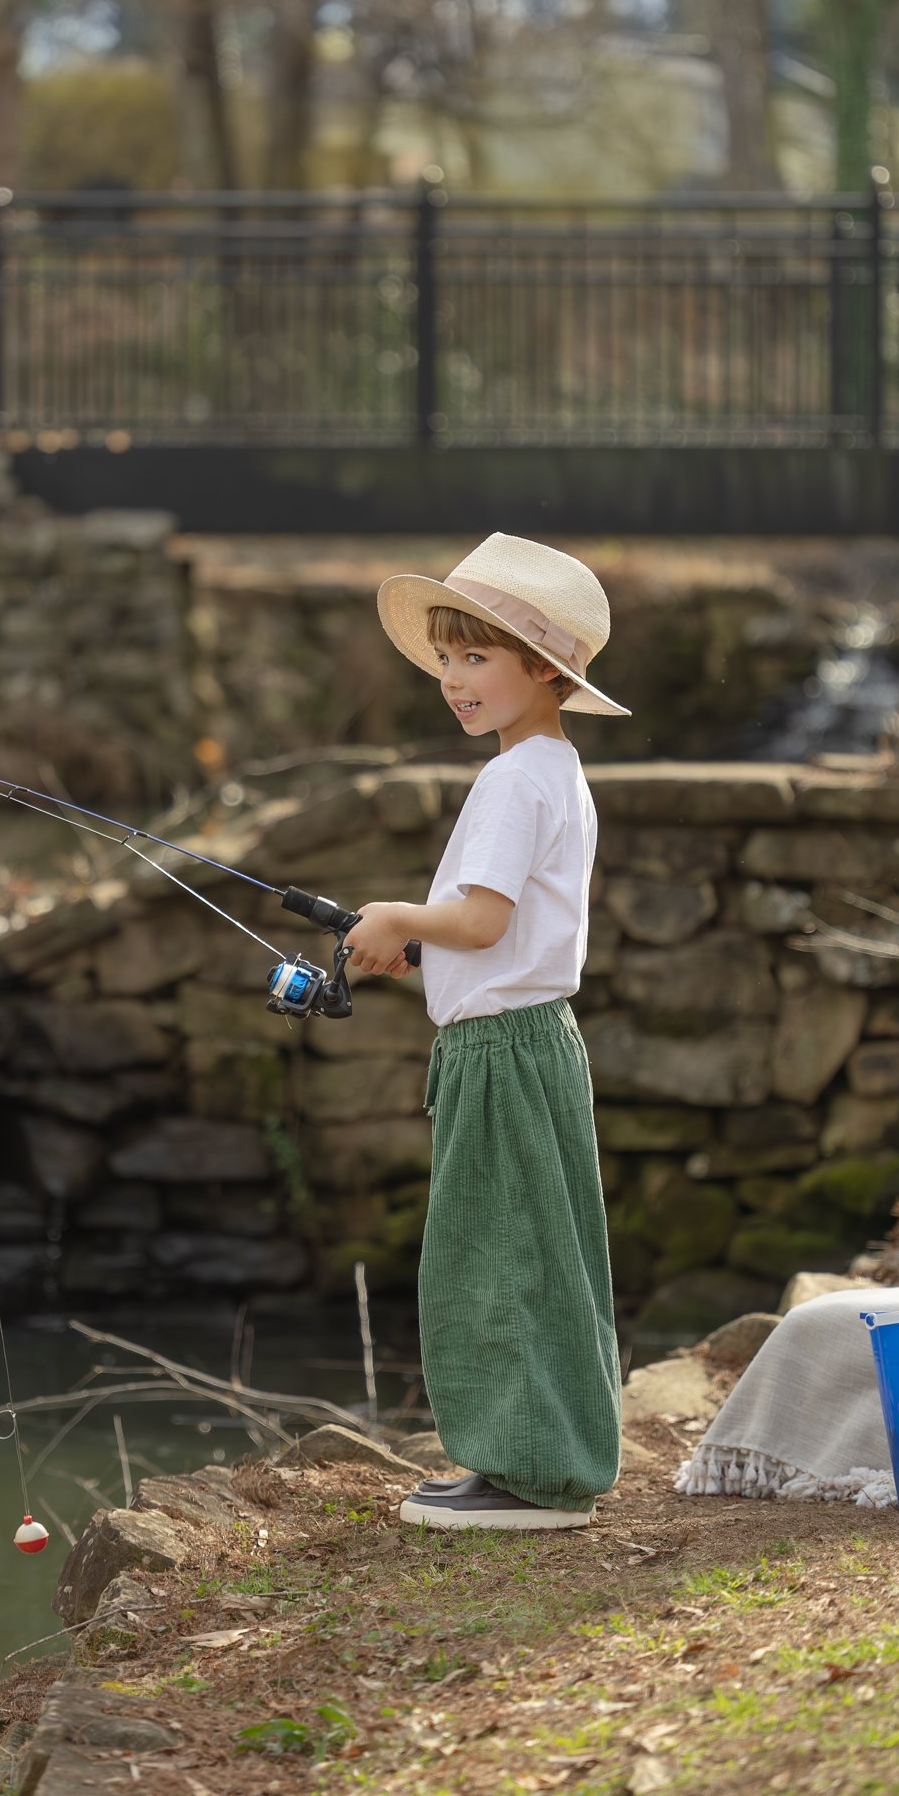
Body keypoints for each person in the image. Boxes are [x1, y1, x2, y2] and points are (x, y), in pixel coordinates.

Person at [343, 532, 629, 1530]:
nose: (455, 682)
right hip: (534, 1037)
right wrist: (420, 954)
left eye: (478, 659)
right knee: (541, 1251)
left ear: (545, 670)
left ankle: (526, 1475)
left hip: (502, 1054)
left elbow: (482, 921)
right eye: (448, 661)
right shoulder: (554, 768)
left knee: (494, 1256)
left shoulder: (512, 781)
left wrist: (395, 919)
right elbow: (505, 938)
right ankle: (547, 1459)